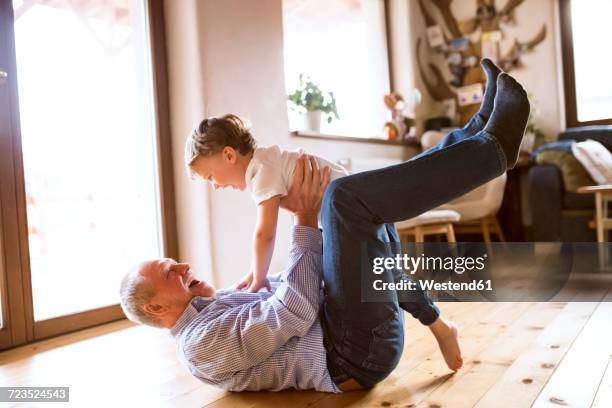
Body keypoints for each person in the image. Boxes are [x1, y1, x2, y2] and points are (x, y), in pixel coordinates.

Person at [119, 61, 530, 392]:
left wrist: (297, 257)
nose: (183, 267)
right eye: (169, 272)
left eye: (175, 262)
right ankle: (493, 149)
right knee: (343, 200)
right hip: (349, 357)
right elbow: (295, 312)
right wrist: (304, 220)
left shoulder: (222, 300)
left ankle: (481, 130)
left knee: (364, 212)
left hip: (353, 331)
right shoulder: (199, 346)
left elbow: (298, 285)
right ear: (155, 307)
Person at [184, 114, 348, 293]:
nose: (215, 186)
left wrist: (259, 278)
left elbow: (265, 233)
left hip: (345, 204)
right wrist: (253, 272)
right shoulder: (265, 162)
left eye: (210, 177)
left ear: (229, 155)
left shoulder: (261, 170)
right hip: (341, 208)